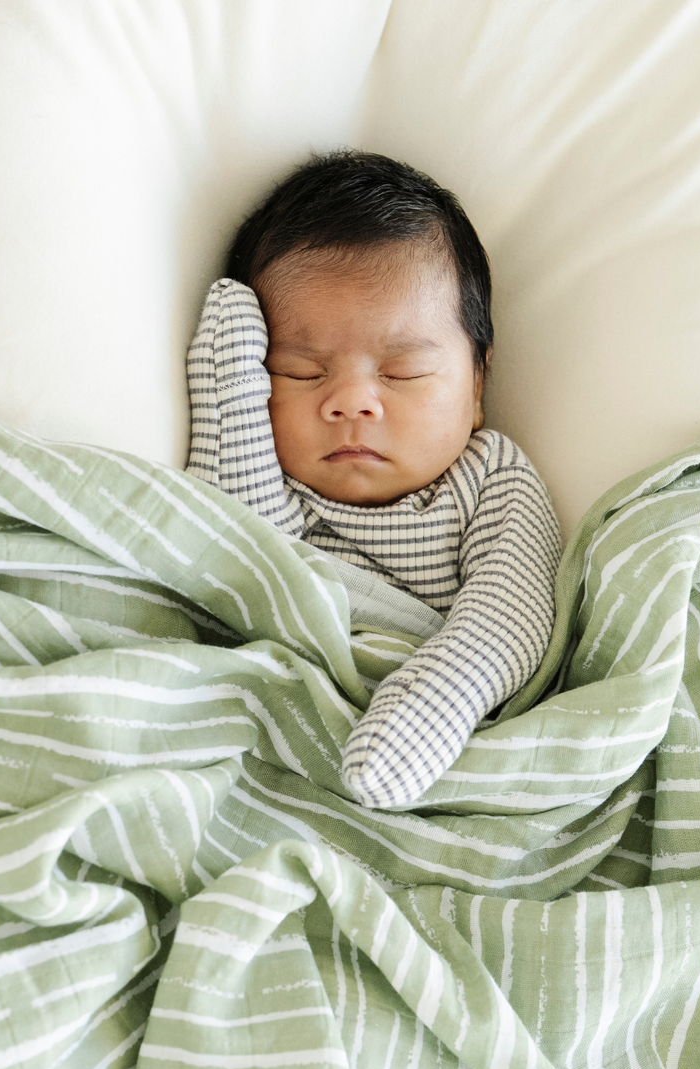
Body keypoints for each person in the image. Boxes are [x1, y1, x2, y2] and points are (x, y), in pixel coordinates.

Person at [186, 150, 562, 808]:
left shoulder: (488, 478)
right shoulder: (274, 484)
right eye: (299, 370)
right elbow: (239, 563)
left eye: (402, 372)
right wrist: (230, 347)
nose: (352, 401)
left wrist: (431, 707)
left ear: (476, 386)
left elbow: (513, 612)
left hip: (440, 722)